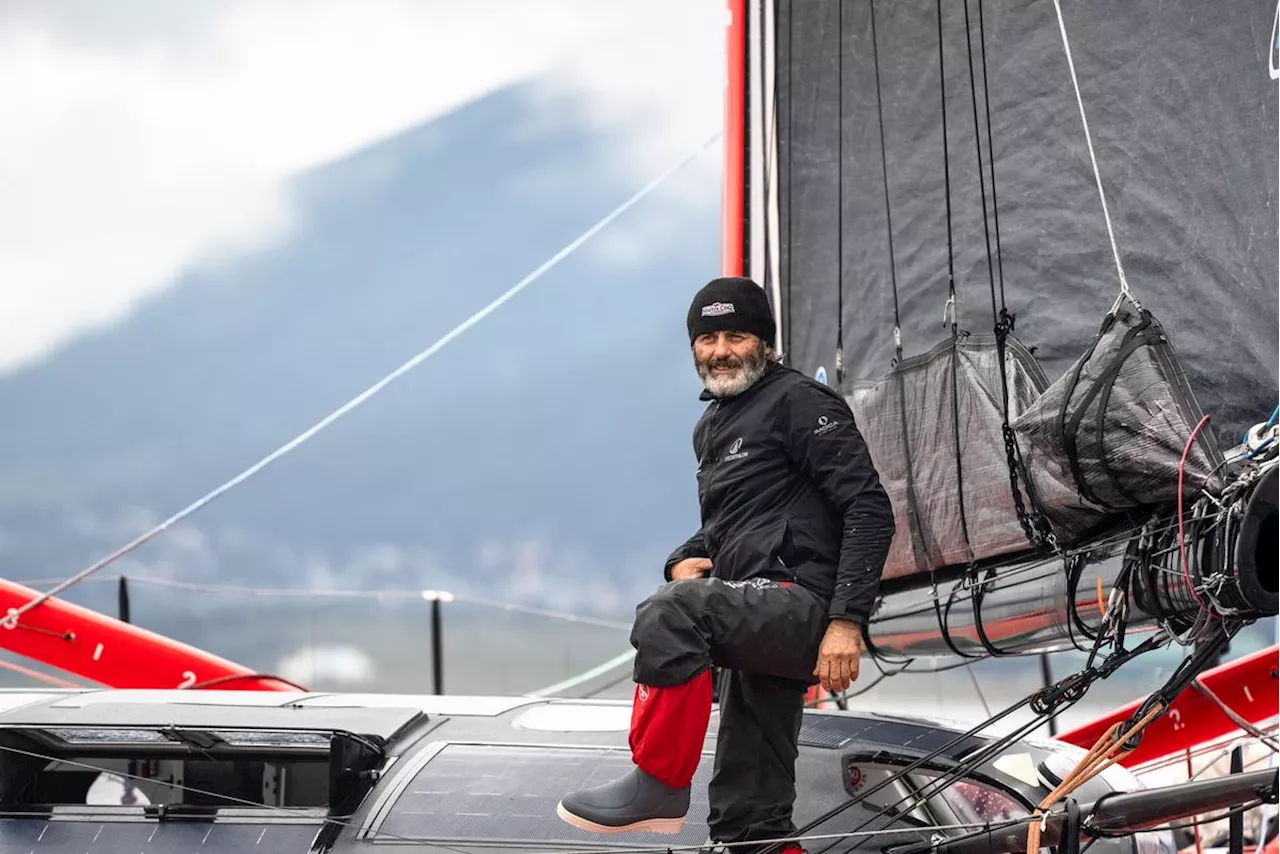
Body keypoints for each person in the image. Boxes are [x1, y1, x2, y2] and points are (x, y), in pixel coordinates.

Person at [556, 276, 895, 851]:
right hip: (754, 605)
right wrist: (682, 560)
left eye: (736, 335)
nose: (720, 351)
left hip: (802, 604)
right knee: (747, 816)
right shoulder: (713, 425)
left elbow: (869, 507)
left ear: (765, 341)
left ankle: (659, 782)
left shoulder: (798, 402)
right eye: (707, 338)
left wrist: (846, 622)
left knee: (671, 615)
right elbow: (733, 524)